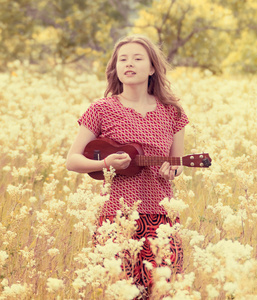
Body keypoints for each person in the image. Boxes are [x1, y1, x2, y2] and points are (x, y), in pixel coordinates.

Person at [66, 34, 189, 298]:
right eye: (122, 59)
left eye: (137, 58)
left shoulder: (173, 112)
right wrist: (105, 162)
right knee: (121, 291)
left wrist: (173, 170)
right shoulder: (101, 109)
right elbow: (72, 160)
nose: (128, 64)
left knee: (163, 291)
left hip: (162, 216)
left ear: (153, 68)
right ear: (115, 67)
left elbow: (178, 164)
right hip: (117, 216)